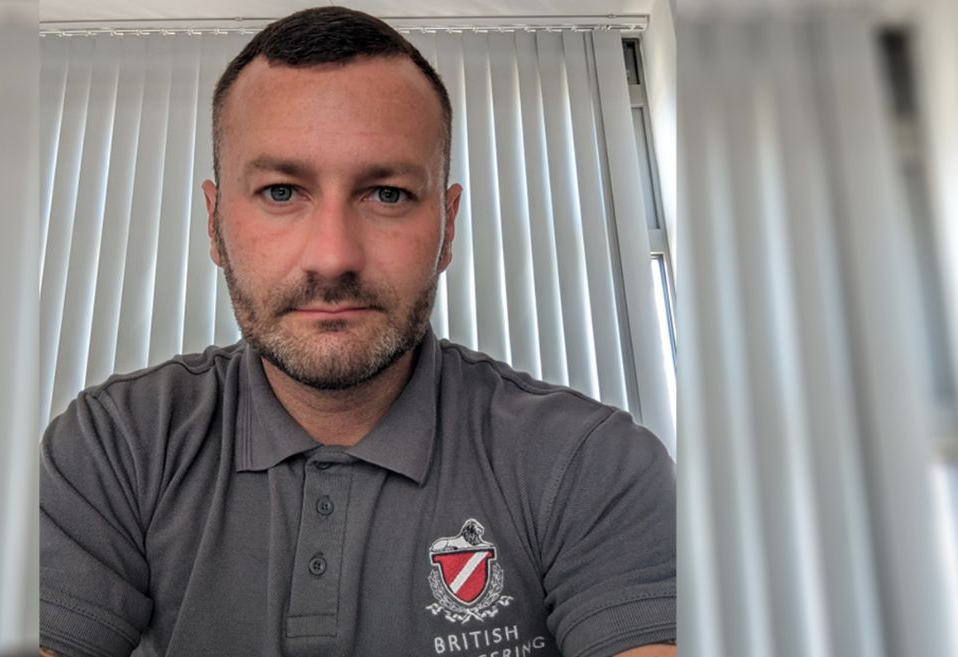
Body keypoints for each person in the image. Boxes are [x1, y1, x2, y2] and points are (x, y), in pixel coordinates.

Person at [40, 6, 675, 657]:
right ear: (214, 224)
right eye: (282, 191)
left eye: (388, 194)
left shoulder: (592, 463)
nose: (334, 256)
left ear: (448, 227)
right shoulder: (114, 445)